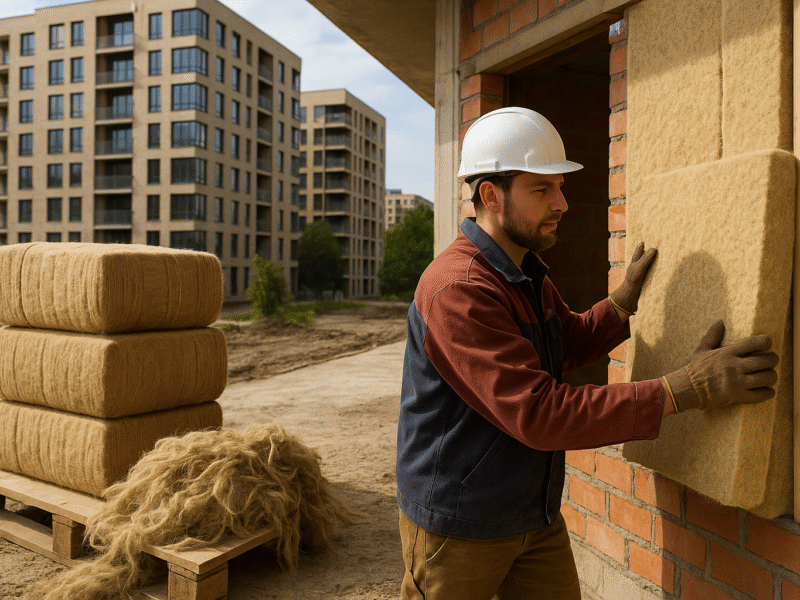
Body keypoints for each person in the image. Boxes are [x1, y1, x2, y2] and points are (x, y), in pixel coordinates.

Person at [395, 107, 779, 600]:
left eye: (560, 187)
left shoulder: (525, 270)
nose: (562, 203)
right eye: (542, 190)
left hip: (532, 512)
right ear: (490, 195)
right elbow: (539, 412)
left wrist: (620, 306)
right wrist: (686, 388)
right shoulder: (458, 289)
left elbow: (565, 343)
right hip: (460, 522)